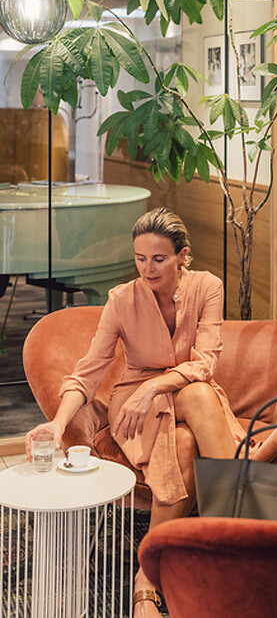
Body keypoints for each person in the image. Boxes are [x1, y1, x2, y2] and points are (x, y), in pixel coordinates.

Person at [25, 207, 246, 618]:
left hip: (181, 391)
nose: (148, 269)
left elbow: (205, 363)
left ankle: (149, 578)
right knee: (191, 419)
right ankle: (235, 543)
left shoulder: (207, 287)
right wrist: (57, 423)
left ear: (182, 256)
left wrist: (155, 386)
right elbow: (88, 371)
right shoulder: (121, 299)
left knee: (194, 411)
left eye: (159, 259)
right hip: (134, 406)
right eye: (140, 259)